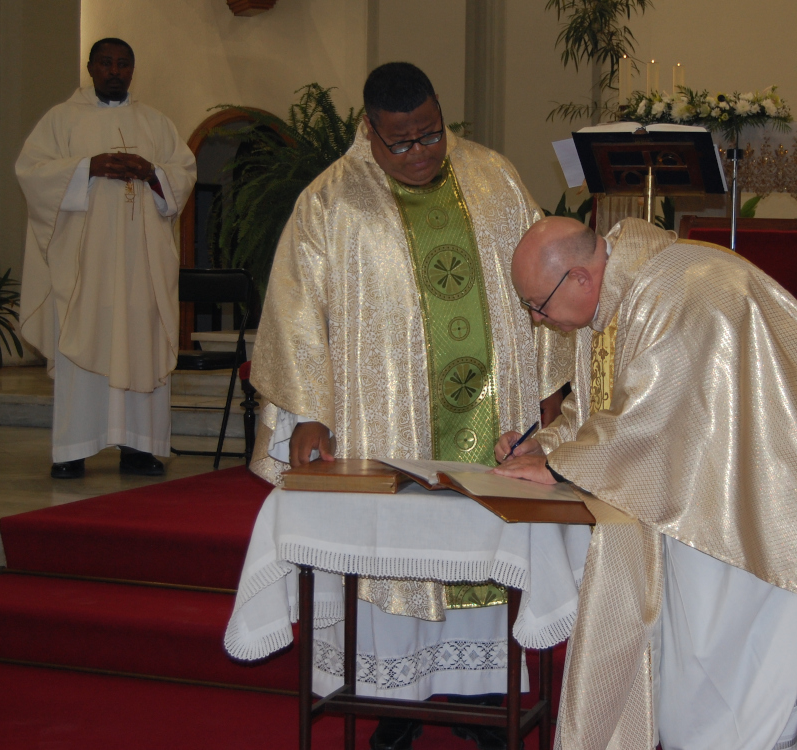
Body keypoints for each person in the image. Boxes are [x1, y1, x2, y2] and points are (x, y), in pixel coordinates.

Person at [232, 62, 571, 750]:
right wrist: (310, 416)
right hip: (385, 423)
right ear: (369, 132)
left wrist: (550, 379)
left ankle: (485, 697)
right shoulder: (331, 202)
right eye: (402, 143)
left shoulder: (493, 177)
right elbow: (298, 315)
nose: (422, 154)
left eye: (431, 135)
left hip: (494, 416)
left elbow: (547, 273)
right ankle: (397, 701)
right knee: (399, 557)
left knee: (487, 545)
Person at [495, 216, 797, 750]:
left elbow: (655, 411)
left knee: (729, 677)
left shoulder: (680, 292)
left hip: (771, 507)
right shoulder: (619, 296)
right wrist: (550, 447)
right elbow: (605, 407)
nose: (538, 319)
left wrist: (559, 468)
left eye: (539, 305)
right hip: (723, 490)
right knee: (697, 669)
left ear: (580, 277)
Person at [16, 38, 196, 479]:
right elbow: (31, 172)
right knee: (82, 342)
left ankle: (139, 448)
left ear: (132, 70)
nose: (115, 71)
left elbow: (184, 172)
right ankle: (73, 449)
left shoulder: (156, 123)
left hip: (141, 267)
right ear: (91, 68)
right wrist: (86, 168)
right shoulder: (61, 120)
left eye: (123, 64)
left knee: (141, 347)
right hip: (85, 267)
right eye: (106, 63)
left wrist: (152, 172)